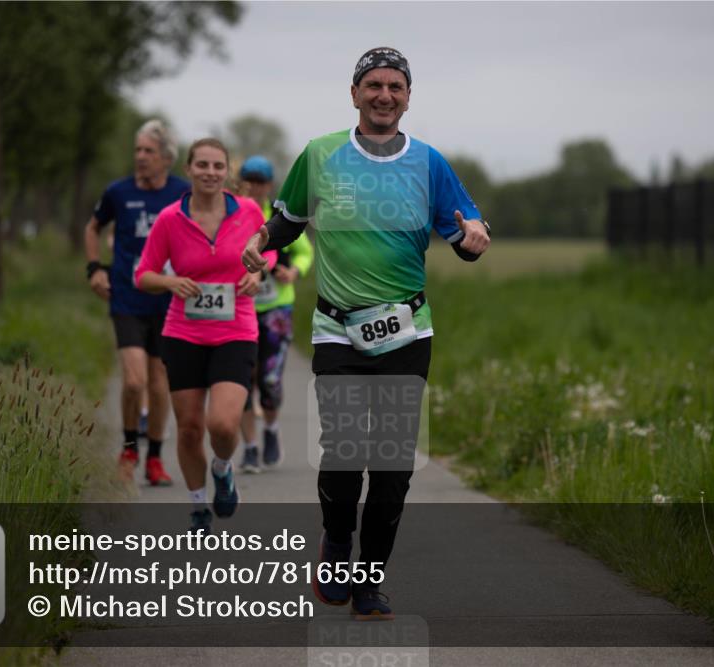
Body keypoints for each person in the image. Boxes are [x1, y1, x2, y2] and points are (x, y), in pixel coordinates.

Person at [242, 48, 491, 619]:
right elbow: (290, 218)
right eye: (373, 85)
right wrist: (262, 241)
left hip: (407, 331)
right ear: (354, 93)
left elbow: (464, 232)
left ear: (408, 97)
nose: (384, 95)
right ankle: (335, 543)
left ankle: (371, 579)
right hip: (337, 330)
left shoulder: (429, 163)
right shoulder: (321, 154)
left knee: (393, 463)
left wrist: (474, 237)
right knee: (347, 449)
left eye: (395, 87)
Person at [136, 138, 277, 534]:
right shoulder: (169, 219)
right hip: (183, 332)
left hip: (236, 329)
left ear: (227, 172)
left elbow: (270, 249)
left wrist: (258, 270)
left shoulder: (248, 211)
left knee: (222, 425)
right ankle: (198, 504)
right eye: (203, 165)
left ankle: (222, 469)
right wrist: (170, 281)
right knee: (190, 427)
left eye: (218, 166)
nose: (210, 173)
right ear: (189, 169)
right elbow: (142, 275)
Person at [85, 119, 188, 487]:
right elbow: (93, 227)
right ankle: (129, 449)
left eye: (148, 151)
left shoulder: (182, 193)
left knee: (160, 383)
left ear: (166, 158)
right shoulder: (118, 192)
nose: (141, 157)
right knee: (133, 381)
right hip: (127, 297)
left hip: (169, 302)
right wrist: (95, 268)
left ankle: (155, 459)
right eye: (138, 150)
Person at [236, 156, 314, 473]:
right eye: (249, 180)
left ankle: (270, 430)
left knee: (269, 380)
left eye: (261, 181)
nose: (254, 187)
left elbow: (305, 252)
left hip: (276, 308)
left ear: (269, 185)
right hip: (240, 308)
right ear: (241, 183)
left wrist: (294, 271)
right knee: (241, 381)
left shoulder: (280, 218)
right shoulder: (233, 216)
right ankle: (250, 448)